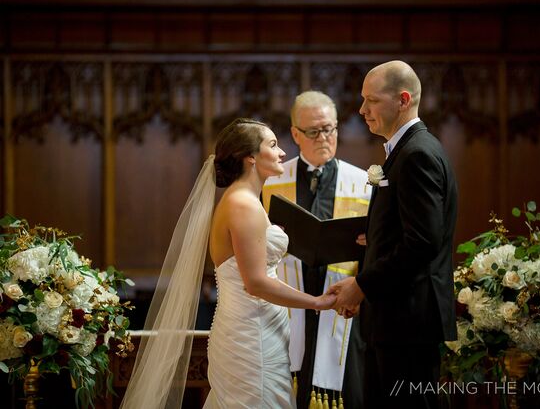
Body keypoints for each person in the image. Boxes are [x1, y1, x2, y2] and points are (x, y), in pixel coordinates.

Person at [121, 118, 337, 409]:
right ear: (251, 157)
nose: (282, 152)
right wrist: (317, 302)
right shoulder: (243, 205)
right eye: (273, 145)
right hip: (252, 335)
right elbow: (256, 283)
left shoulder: (244, 201)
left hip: (255, 328)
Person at [329, 60, 458, 408]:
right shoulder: (407, 150)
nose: (362, 110)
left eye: (371, 100)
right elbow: (410, 230)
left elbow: (423, 242)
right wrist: (376, 235)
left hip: (408, 324)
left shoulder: (417, 154)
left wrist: (362, 285)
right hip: (398, 319)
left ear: (403, 100)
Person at [262, 91, 371, 409]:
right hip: (287, 307)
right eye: (313, 131)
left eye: (329, 129)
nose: (323, 137)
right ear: (295, 134)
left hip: (343, 306)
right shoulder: (271, 183)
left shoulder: (363, 183)